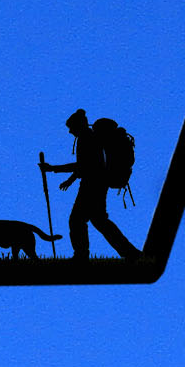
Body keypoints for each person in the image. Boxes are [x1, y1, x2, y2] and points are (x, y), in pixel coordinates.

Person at [40, 107, 134, 258]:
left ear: (78, 126)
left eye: (71, 128)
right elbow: (86, 165)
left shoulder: (86, 139)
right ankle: (130, 253)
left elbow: (83, 165)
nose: (70, 132)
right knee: (100, 221)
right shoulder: (91, 138)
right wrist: (70, 180)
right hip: (98, 184)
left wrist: (53, 168)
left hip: (91, 186)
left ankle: (81, 256)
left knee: (76, 220)